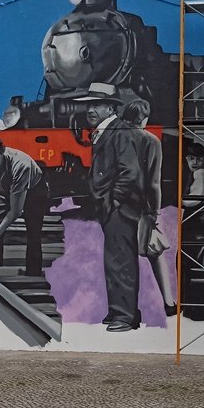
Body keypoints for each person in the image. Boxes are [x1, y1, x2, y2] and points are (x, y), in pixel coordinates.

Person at [74, 83, 142, 332]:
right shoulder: (106, 131)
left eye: (96, 105)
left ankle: (124, 316)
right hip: (113, 206)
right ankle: (119, 311)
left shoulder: (119, 131)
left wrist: (114, 200)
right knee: (114, 259)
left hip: (119, 208)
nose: (90, 110)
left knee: (120, 260)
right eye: (88, 105)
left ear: (111, 108)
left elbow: (129, 171)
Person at [123, 98, 175, 317]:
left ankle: (128, 309)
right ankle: (169, 303)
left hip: (119, 206)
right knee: (155, 252)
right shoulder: (151, 141)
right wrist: (155, 212)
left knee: (125, 259)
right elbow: (154, 183)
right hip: (142, 206)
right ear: (144, 118)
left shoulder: (115, 140)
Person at [0, 137, 49, 277]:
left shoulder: (21, 165)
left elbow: (16, 211)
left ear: (1, 155)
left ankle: (33, 273)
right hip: (4, 189)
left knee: (33, 231)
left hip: (34, 190)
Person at [181, 141, 204, 272]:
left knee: (191, 253)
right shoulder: (196, 173)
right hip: (200, 218)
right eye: (191, 158)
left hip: (200, 219)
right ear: (186, 159)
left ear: (203, 160)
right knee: (195, 255)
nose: (195, 162)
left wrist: (179, 201)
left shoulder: (200, 173)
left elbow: (195, 199)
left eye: (199, 159)